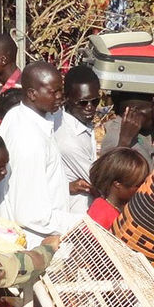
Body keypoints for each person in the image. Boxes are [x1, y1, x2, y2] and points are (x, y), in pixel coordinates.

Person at [0, 62, 76, 247]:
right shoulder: (29, 140)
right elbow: (30, 213)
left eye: (60, 90)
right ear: (31, 94)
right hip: (36, 244)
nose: (60, 97)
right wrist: (79, 223)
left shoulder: (19, 115)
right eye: (53, 92)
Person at [54, 65, 100, 213]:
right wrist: (123, 141)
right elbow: (100, 183)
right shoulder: (68, 139)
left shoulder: (80, 122)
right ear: (66, 98)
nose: (90, 107)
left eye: (95, 101)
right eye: (83, 102)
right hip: (76, 215)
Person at [86, 147, 149, 229]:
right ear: (117, 184)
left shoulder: (125, 209)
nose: (141, 188)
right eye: (137, 185)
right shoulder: (101, 212)